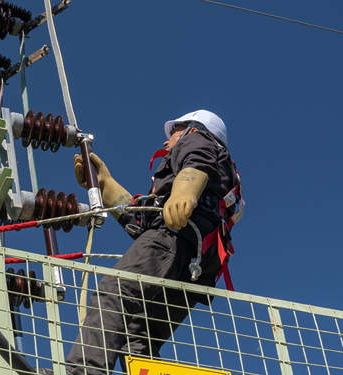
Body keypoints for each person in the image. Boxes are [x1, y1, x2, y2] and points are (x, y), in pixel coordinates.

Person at [40, 110, 241, 375]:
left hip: (175, 236)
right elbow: (143, 221)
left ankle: (84, 373)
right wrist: (105, 184)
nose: (167, 142)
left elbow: (197, 162)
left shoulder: (197, 138)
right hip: (201, 261)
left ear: (191, 128)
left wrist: (185, 191)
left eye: (174, 133)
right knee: (139, 333)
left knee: (114, 294)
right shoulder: (221, 173)